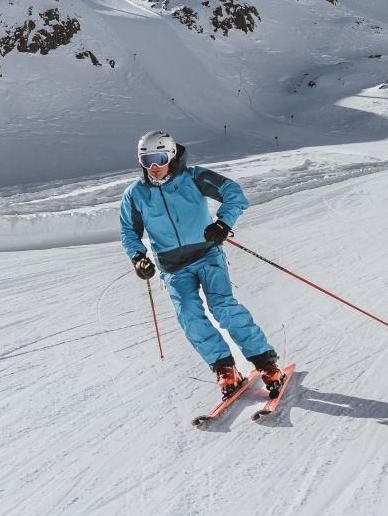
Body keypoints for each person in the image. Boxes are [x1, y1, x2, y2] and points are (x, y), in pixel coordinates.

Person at [120, 131, 285, 400]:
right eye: (147, 160)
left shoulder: (194, 177)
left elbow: (234, 193)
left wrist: (223, 224)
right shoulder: (135, 194)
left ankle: (265, 362)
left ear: (172, 155)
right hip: (172, 266)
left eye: (160, 158)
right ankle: (225, 368)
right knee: (189, 315)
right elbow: (129, 231)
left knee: (223, 307)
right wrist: (138, 257)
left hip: (207, 254)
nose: (154, 167)